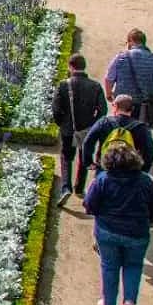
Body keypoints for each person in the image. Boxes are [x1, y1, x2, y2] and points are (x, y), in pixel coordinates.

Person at [84, 141, 153, 305]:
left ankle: (108, 304)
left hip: (107, 231)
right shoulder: (145, 181)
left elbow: (89, 205)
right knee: (133, 265)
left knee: (109, 266)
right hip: (137, 233)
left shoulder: (103, 179)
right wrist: (151, 221)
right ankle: (130, 300)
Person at [52, 54, 108, 205]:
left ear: (70, 66)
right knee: (84, 156)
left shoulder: (63, 85)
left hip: (68, 128)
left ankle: (66, 187)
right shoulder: (95, 86)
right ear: (84, 66)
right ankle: (79, 187)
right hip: (87, 129)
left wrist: (62, 123)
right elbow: (103, 110)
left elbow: (56, 109)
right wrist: (93, 125)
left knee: (66, 157)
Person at [83, 95, 153, 180]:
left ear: (115, 106)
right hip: (131, 171)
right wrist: (143, 169)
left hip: (106, 169)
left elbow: (87, 142)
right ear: (132, 109)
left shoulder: (103, 122)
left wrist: (88, 162)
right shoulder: (140, 127)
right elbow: (151, 150)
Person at [104, 28, 153, 127]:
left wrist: (109, 94)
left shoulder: (120, 57)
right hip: (146, 105)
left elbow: (109, 78)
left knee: (122, 129)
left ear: (130, 41)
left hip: (123, 103)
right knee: (142, 130)